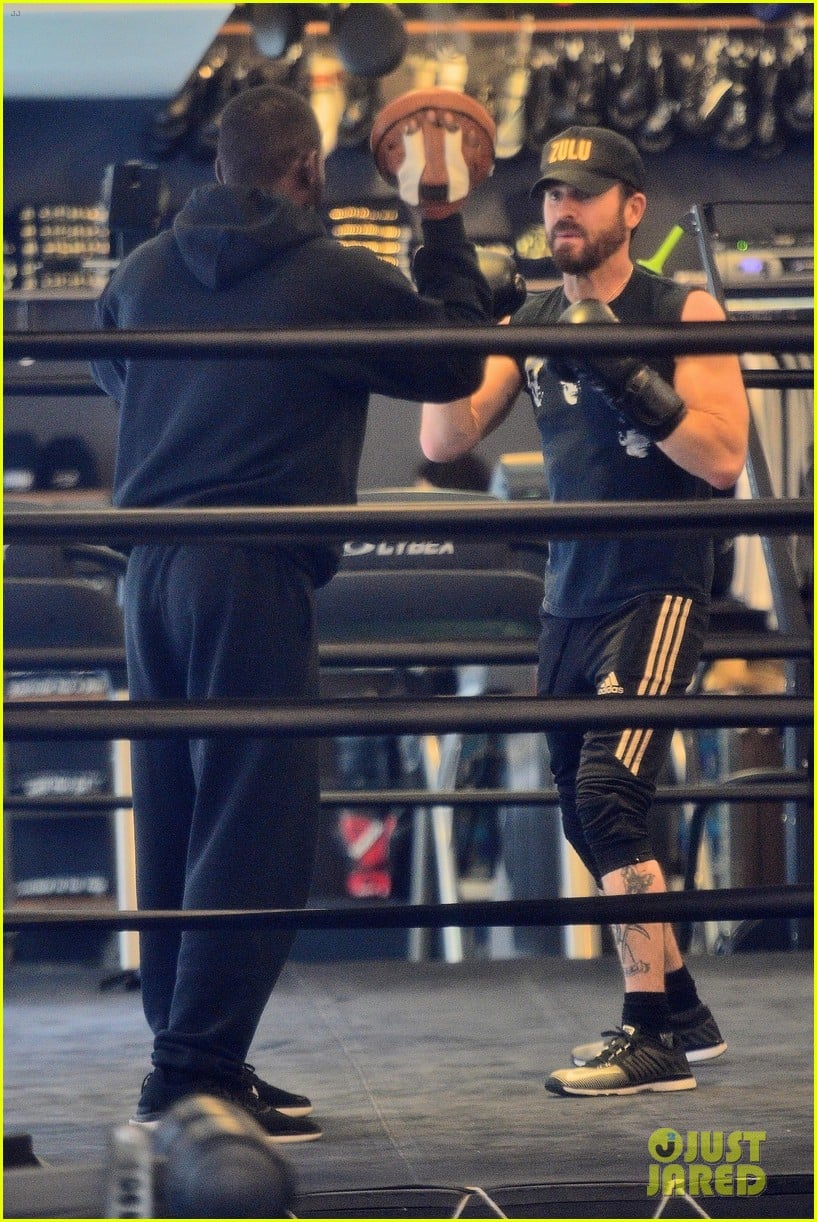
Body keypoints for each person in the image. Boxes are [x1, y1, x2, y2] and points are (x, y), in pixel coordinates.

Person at [91, 83, 492, 1139]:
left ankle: (195, 1055)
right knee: (255, 823)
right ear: (306, 172)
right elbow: (459, 354)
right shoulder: (329, 276)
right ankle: (191, 1068)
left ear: (217, 168)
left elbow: (112, 369)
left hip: (152, 573)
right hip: (249, 568)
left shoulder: (139, 271)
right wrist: (438, 215)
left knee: (179, 817)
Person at [420, 125, 749, 1097]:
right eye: (551, 195)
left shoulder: (678, 307)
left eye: (585, 193)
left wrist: (621, 366)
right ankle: (684, 1009)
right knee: (581, 810)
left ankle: (646, 1036)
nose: (562, 208)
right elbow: (443, 437)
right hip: (567, 598)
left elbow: (724, 460)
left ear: (629, 209)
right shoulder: (530, 323)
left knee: (611, 799)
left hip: (655, 590)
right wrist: (461, 333)